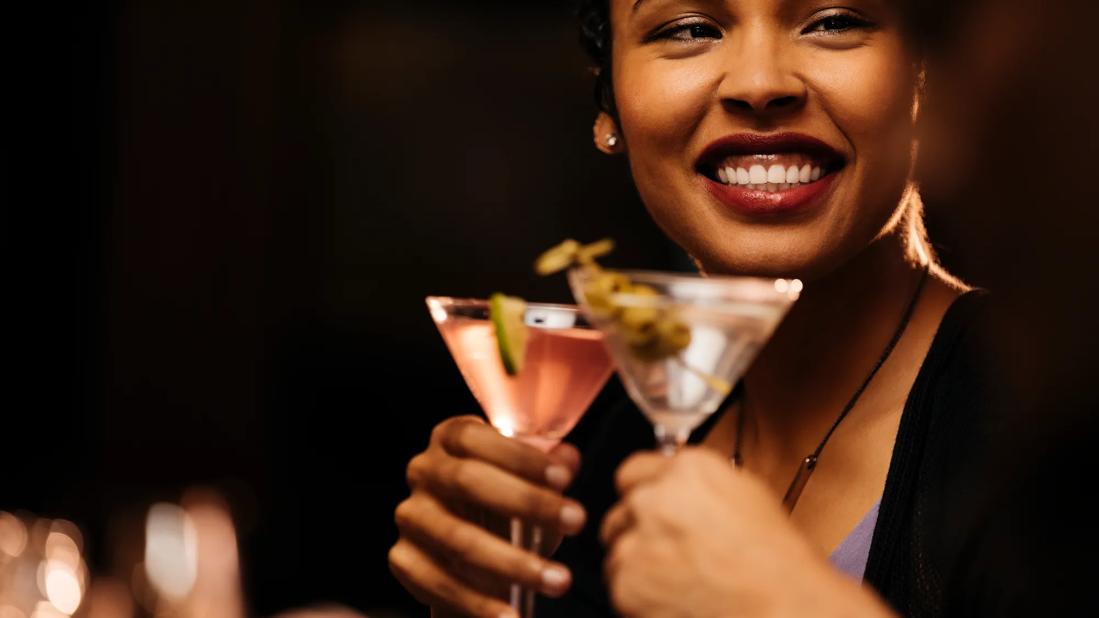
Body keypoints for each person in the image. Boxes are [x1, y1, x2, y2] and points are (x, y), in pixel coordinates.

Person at [389, 0, 986, 616]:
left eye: (833, 22)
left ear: (933, 76)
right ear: (610, 111)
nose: (760, 84)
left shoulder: (1053, 422)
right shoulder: (599, 444)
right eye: (690, 30)